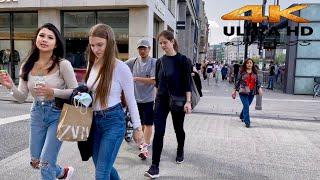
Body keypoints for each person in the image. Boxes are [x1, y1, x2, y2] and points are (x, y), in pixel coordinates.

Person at [0, 23, 78, 180]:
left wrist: (53, 92)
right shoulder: (27, 65)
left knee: (45, 163)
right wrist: (10, 86)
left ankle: (54, 173)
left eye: (50, 37)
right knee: (36, 161)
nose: (44, 39)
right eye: (42, 35)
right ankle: (62, 172)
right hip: (37, 114)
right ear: (36, 38)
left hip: (58, 114)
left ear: (56, 44)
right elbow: (22, 97)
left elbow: (76, 92)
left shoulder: (63, 64)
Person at [85, 23, 143, 180]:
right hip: (95, 122)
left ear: (110, 43)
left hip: (114, 122)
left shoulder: (121, 68)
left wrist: (138, 128)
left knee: (101, 173)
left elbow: (131, 99)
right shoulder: (93, 63)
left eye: (100, 44)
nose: (96, 49)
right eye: (92, 45)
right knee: (103, 167)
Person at [144, 30, 192, 179]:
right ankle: (154, 166)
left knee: (179, 129)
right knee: (159, 132)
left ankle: (180, 149)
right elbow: (157, 84)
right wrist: (156, 100)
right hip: (161, 101)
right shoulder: (160, 61)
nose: (163, 45)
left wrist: (188, 102)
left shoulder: (183, 60)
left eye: (165, 42)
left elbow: (187, 83)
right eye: (160, 43)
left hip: (178, 100)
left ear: (172, 41)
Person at [125, 38, 157, 159]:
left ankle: (145, 145)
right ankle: (143, 142)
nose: (142, 50)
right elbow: (120, 67)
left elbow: (154, 81)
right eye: (140, 48)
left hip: (149, 99)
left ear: (149, 49)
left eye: (144, 48)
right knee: (139, 124)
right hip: (135, 99)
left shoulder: (154, 62)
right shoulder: (133, 61)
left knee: (148, 123)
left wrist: (135, 78)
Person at [232, 58, 263, 128]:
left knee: (247, 105)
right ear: (245, 64)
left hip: (251, 92)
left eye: (250, 63)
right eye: (247, 63)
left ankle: (242, 115)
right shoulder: (242, 72)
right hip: (243, 91)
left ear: (252, 64)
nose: (249, 64)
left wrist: (260, 88)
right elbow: (237, 81)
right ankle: (247, 122)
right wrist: (234, 90)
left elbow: (258, 82)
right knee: (246, 105)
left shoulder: (255, 72)